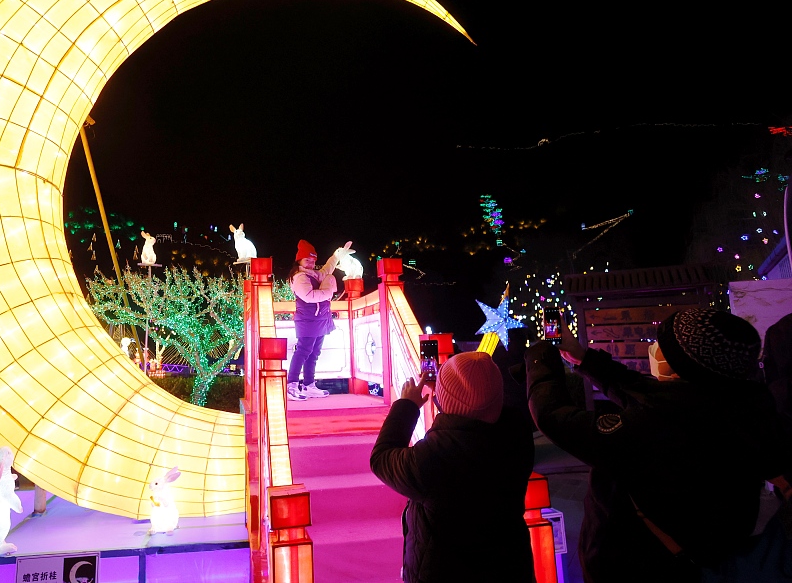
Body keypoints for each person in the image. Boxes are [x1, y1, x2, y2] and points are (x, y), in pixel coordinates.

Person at [525, 308, 792, 583]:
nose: (655, 350)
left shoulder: (656, 425)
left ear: (682, 364)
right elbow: (645, 390)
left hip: (640, 565)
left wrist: (540, 357)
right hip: (711, 554)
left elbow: (554, 416)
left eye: (663, 347)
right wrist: (583, 358)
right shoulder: (744, 405)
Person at [370, 352, 536, 582]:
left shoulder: (434, 457)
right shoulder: (517, 436)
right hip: (510, 569)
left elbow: (381, 457)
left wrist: (406, 406)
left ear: (441, 401)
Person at [285, 240, 352, 400]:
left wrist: (336, 256)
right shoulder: (300, 277)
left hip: (319, 319)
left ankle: (309, 385)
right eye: (307, 260)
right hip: (308, 320)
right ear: (299, 260)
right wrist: (328, 293)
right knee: (303, 351)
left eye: (313, 260)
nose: (311, 263)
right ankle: (291, 385)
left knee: (314, 353)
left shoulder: (313, 274)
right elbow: (308, 297)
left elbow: (327, 269)